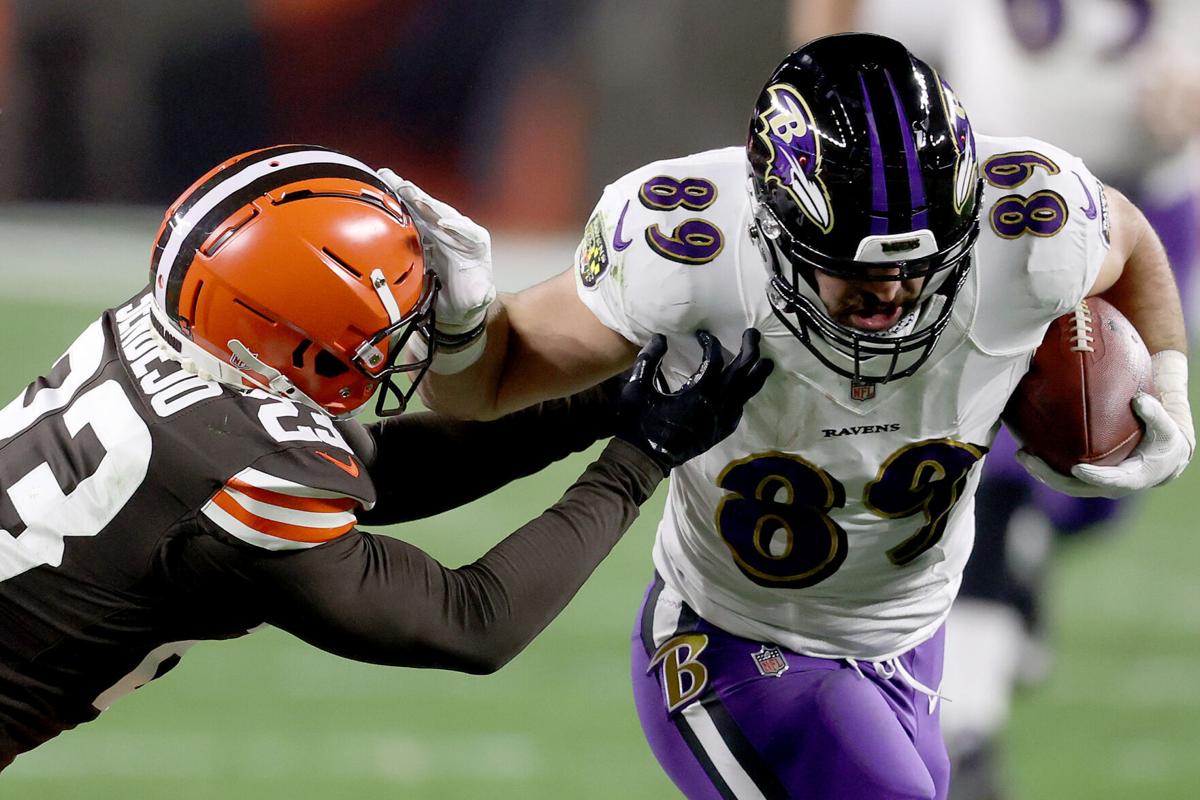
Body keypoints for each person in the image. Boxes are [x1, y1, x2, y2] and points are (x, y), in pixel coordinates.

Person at [402, 34, 1195, 799]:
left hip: (913, 640)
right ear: (775, 226)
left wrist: (1168, 380)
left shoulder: (1033, 222)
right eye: (855, 273)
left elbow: (1128, 234)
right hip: (739, 644)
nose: (892, 298)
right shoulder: (689, 250)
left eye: (921, 268)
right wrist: (465, 325)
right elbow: (486, 387)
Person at [0, 144, 773, 771]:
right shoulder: (241, 474)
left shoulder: (184, 333)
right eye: (392, 322)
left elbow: (382, 473)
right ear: (294, 338)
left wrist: (607, 396)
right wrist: (640, 458)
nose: (408, 337)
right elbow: (472, 622)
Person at [791, 4, 1200, 797]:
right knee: (992, 464)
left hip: (1150, 196)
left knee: (1105, 460)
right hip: (1007, 204)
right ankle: (969, 724)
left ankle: (1023, 560)